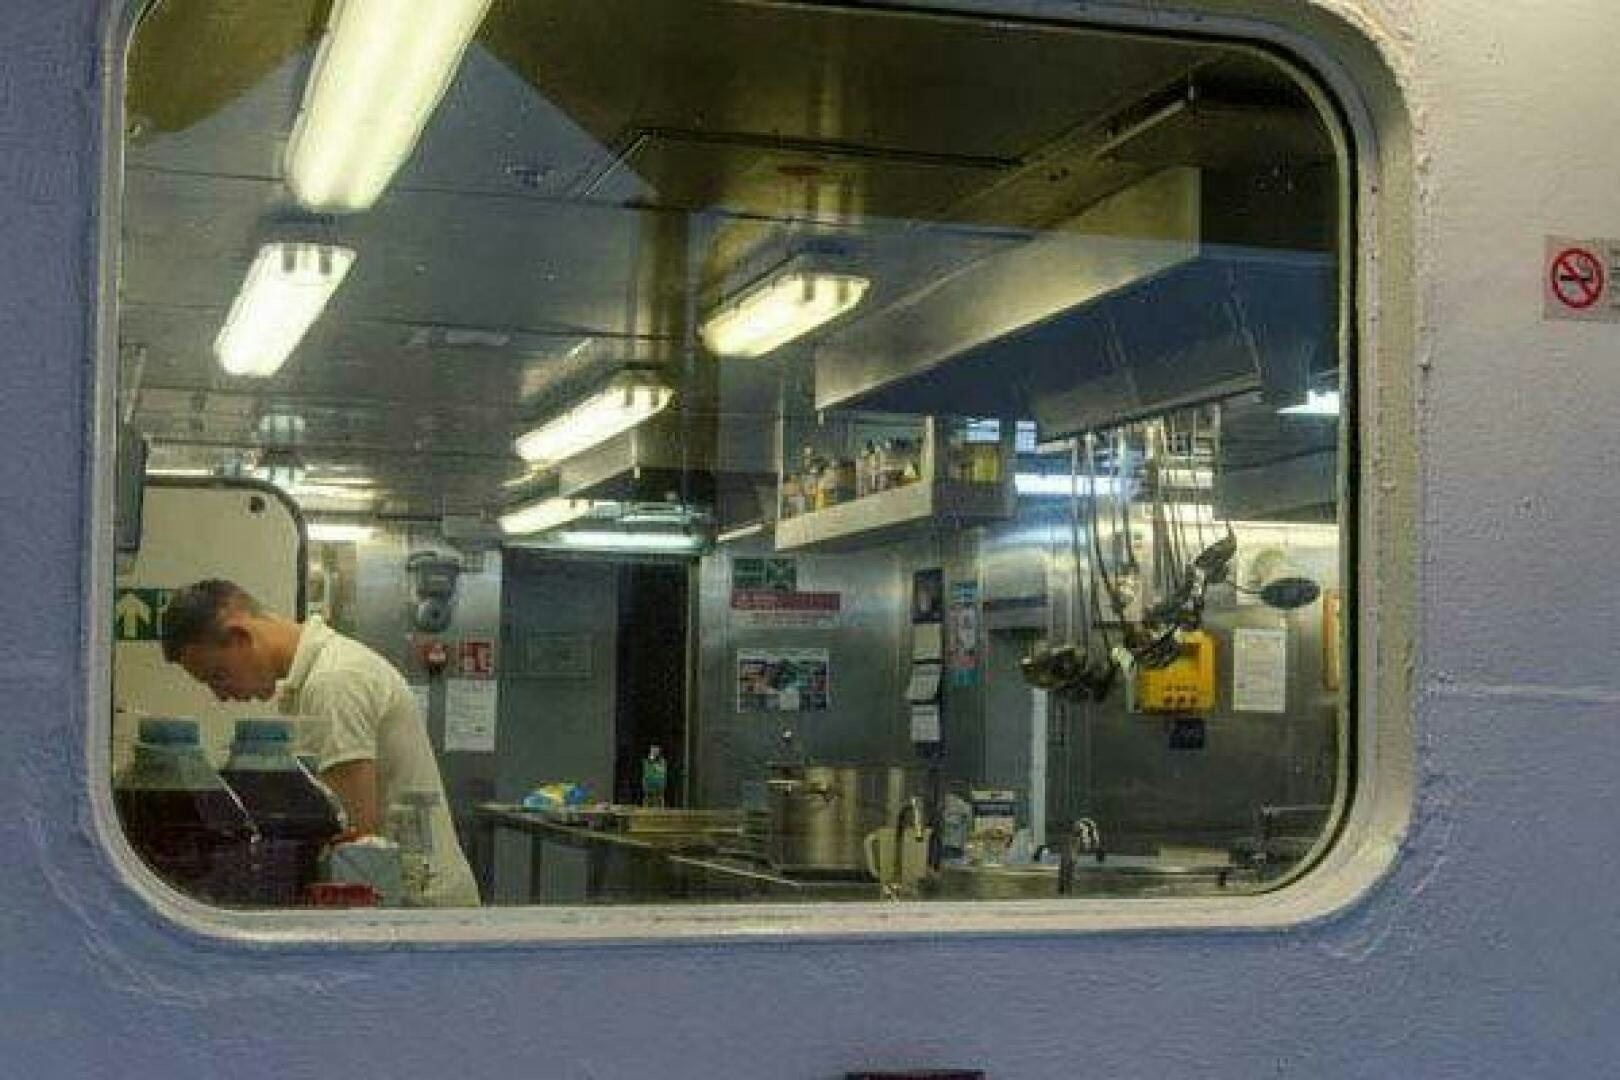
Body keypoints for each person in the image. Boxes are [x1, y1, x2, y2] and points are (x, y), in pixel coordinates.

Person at [160, 579, 479, 907]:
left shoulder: (334, 684)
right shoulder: (324, 673)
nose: (221, 696)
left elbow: (354, 843)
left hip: (419, 904)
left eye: (218, 675)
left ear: (241, 636)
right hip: (403, 895)